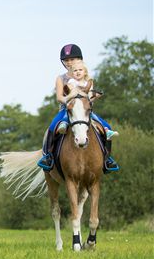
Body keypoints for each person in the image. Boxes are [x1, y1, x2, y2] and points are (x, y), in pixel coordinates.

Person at [37, 44, 118, 172]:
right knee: (52, 127)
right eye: (66, 60)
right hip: (66, 110)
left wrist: (93, 97)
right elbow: (59, 98)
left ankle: (107, 159)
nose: (69, 62)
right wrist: (70, 96)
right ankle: (48, 157)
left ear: (80, 59)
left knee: (107, 127)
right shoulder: (61, 78)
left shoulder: (87, 79)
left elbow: (89, 99)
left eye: (72, 59)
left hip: (84, 112)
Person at [62, 59, 118, 139]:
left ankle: (106, 131)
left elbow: (90, 98)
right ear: (72, 73)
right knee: (67, 114)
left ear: (85, 72)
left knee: (96, 119)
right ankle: (64, 124)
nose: (78, 72)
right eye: (75, 71)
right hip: (75, 107)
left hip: (85, 109)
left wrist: (95, 96)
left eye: (80, 70)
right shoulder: (72, 82)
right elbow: (69, 89)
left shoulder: (88, 83)